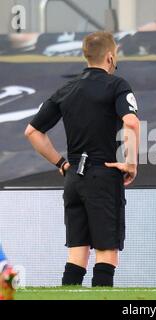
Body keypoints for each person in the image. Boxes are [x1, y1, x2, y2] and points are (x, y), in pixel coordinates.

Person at [25, 31, 140, 287]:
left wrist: (61, 164)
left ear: (86, 55)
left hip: (73, 178)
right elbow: (131, 123)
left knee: (77, 255)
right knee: (106, 253)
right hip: (103, 174)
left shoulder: (66, 89)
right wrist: (131, 163)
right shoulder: (117, 85)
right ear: (110, 57)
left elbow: (32, 132)